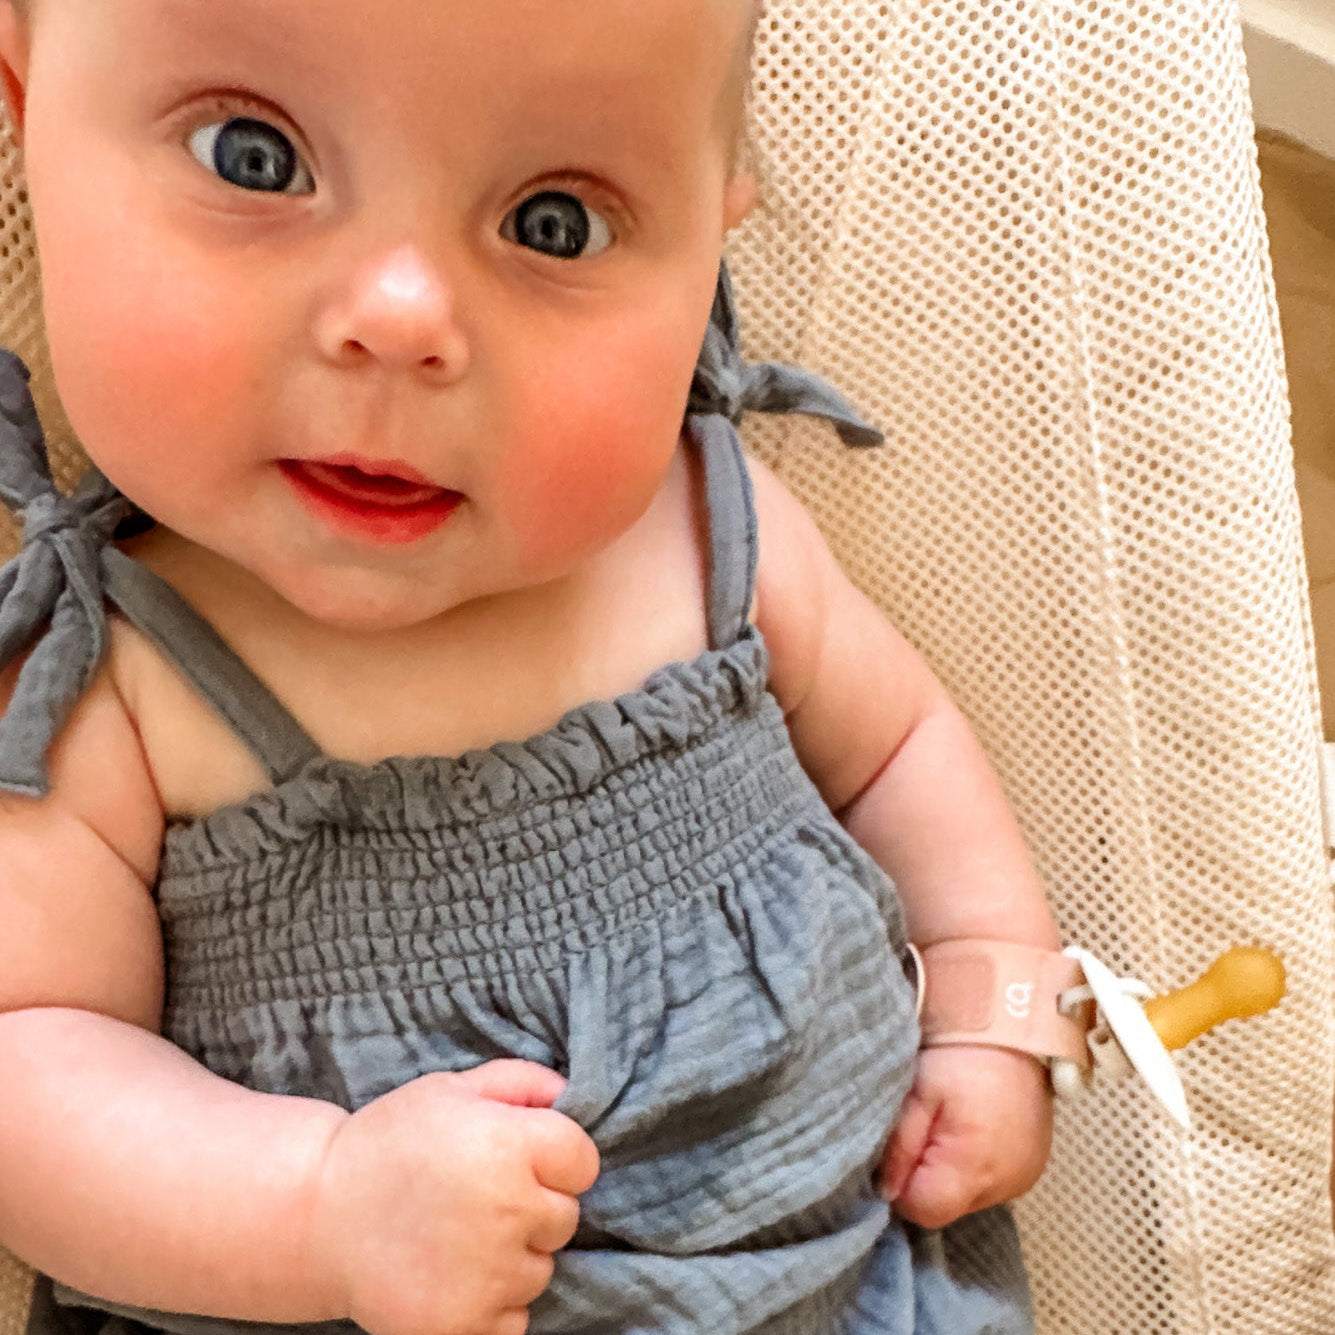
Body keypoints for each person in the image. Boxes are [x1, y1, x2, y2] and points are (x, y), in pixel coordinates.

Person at [0, 0, 1064, 1331]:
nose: (402, 319)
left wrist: (990, 998)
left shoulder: (711, 536)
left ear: (710, 233)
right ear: (28, 109)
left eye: (554, 223)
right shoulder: (110, 682)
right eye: (253, 158)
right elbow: (31, 1063)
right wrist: (322, 1207)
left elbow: (900, 750)